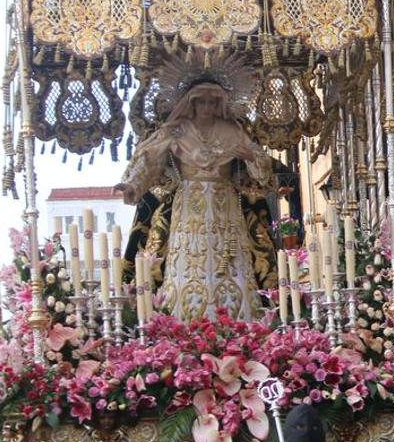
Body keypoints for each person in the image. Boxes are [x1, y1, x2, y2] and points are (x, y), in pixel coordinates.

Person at [117, 80, 276, 321]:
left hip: (225, 203)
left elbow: (261, 163)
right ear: (191, 103)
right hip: (190, 203)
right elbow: (149, 157)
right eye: (201, 101)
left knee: (230, 261)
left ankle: (237, 319)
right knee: (190, 261)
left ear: (219, 103)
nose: (207, 107)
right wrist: (132, 185)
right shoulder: (177, 130)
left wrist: (252, 156)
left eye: (212, 102)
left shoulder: (231, 130)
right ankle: (185, 320)